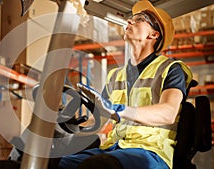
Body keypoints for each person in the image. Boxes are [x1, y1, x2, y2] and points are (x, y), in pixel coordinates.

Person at [57, 0, 193, 169]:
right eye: (131, 18)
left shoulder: (171, 69)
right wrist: (72, 124)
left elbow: (168, 113)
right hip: (115, 148)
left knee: (99, 166)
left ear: (154, 35)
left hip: (150, 152)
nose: (129, 21)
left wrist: (119, 110)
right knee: (59, 163)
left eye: (139, 19)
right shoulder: (116, 75)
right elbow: (101, 117)